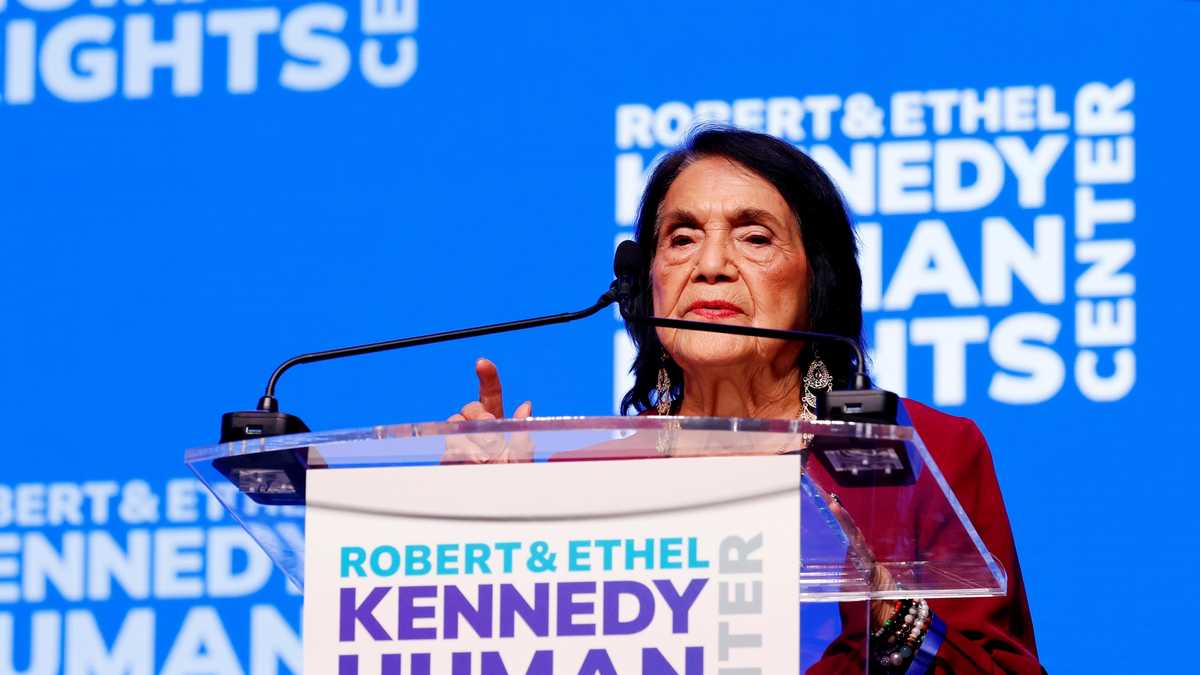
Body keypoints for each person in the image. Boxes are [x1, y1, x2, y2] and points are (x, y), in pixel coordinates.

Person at [449, 126, 1041, 673]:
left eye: (755, 237)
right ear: (645, 281)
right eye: (682, 238)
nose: (710, 266)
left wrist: (889, 613)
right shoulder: (583, 475)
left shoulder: (914, 446)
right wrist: (496, 534)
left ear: (818, 277)